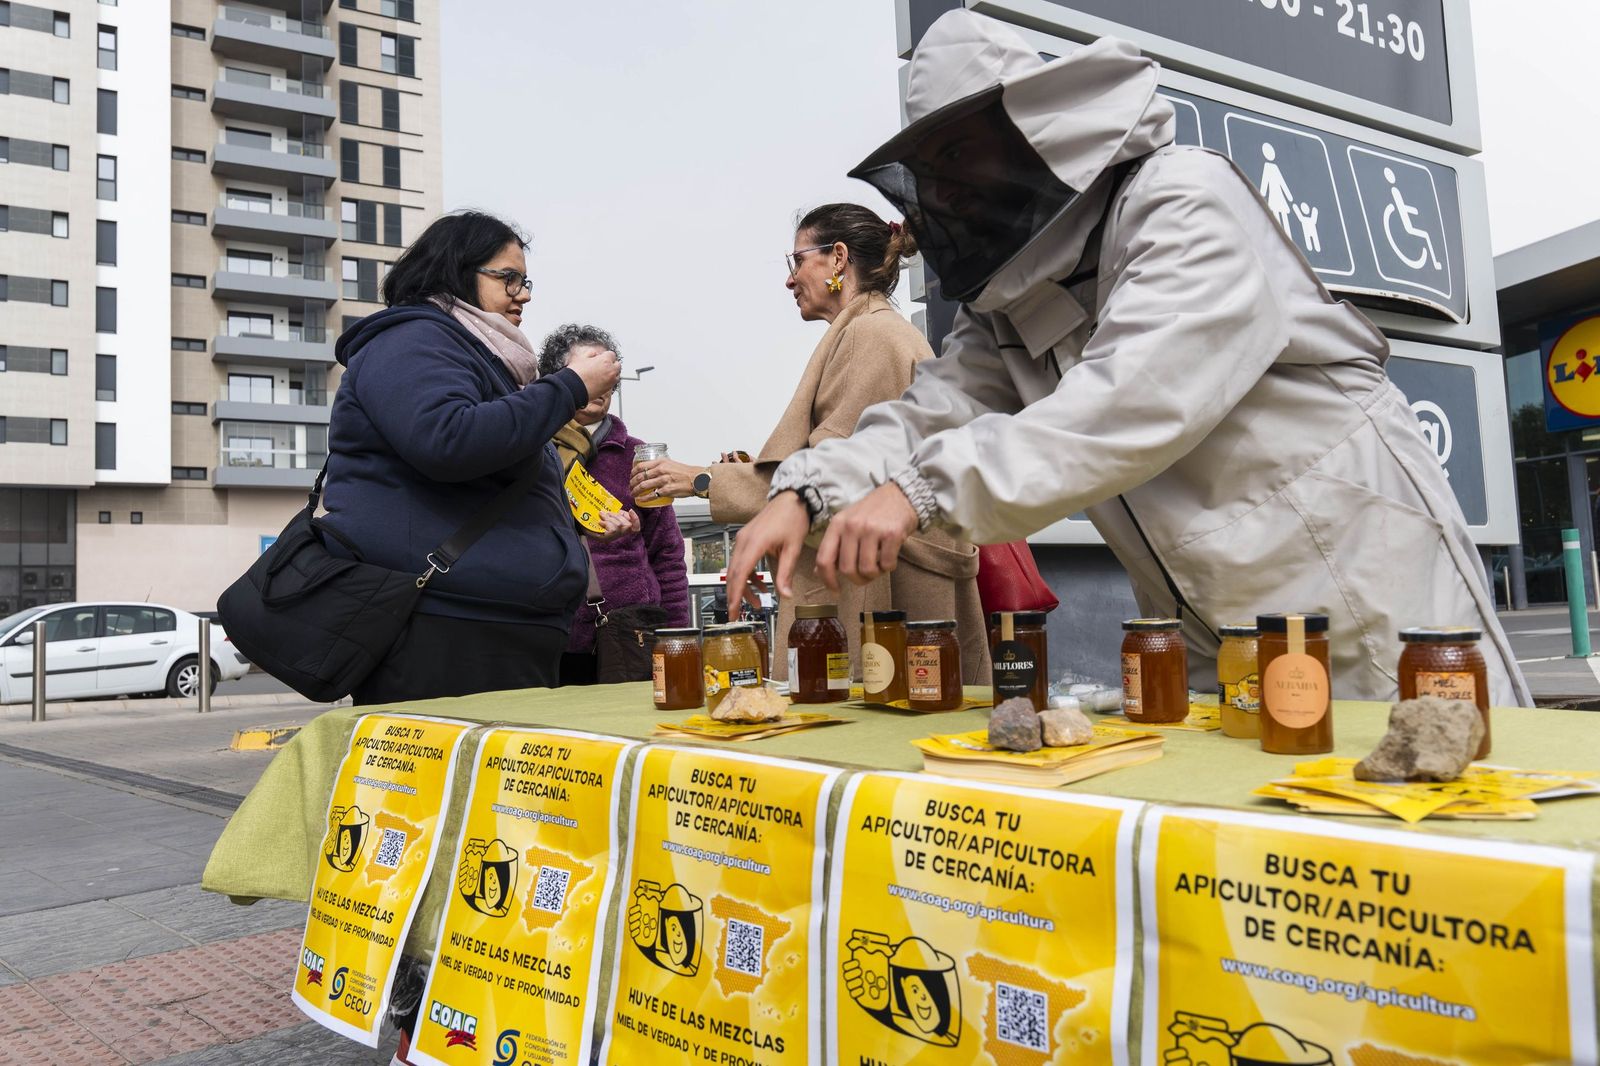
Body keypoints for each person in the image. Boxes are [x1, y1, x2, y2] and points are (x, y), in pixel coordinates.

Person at [727, 12, 1531, 706]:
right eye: (942, 178)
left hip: (1363, 597)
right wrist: (806, 491)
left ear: (1030, 134)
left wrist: (919, 490)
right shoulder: (1005, 301)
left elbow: (1130, 403)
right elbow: (928, 413)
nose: (957, 197)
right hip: (1213, 632)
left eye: (964, 165)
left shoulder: (1180, 201)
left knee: (1450, 833)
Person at [630, 203, 988, 683]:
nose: (789, 279)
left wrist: (699, 480)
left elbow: (834, 470)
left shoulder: (871, 335)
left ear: (837, 258)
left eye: (796, 262)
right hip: (902, 578)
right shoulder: (874, 331)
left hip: (893, 587)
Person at [321, 210, 626, 705]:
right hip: (445, 622)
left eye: (525, 281)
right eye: (508, 278)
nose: (523, 294)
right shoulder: (411, 339)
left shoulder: (472, 353)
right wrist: (568, 386)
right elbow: (448, 440)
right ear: (456, 271)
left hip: (488, 620)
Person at [537, 323, 692, 685]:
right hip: (547, 633)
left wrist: (674, 637)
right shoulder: (529, 448)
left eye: (606, 374)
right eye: (585, 373)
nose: (599, 386)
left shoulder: (636, 456)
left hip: (628, 633)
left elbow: (668, 556)